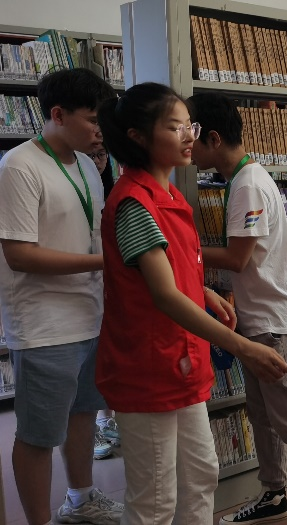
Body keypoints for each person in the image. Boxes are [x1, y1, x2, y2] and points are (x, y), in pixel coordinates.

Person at [96, 82, 287, 523]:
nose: (188, 137)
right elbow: (163, 294)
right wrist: (242, 346)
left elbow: (170, 269)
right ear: (138, 136)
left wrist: (203, 291)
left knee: (201, 474)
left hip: (179, 362)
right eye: (175, 127)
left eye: (191, 126)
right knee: (155, 499)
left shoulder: (170, 196)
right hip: (149, 370)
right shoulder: (134, 204)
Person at [188, 92, 287, 525]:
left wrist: (183, 251)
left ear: (213, 138)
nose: (187, 145)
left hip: (279, 323)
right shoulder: (243, 179)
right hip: (261, 319)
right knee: (262, 415)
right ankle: (274, 493)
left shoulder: (248, 185)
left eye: (192, 134)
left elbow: (238, 258)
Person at [0, 68, 122, 525]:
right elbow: (19, 255)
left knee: (83, 413)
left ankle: (81, 499)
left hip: (90, 315)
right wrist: (103, 264)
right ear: (57, 114)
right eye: (92, 120)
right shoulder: (19, 166)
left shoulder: (87, 165)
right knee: (37, 434)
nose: (100, 130)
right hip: (45, 325)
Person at [80, 142, 121, 462]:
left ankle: (108, 419)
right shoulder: (78, 184)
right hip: (85, 280)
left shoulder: (113, 190)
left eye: (102, 154)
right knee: (90, 359)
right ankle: (96, 423)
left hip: (111, 281)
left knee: (109, 352)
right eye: (91, 155)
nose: (97, 161)